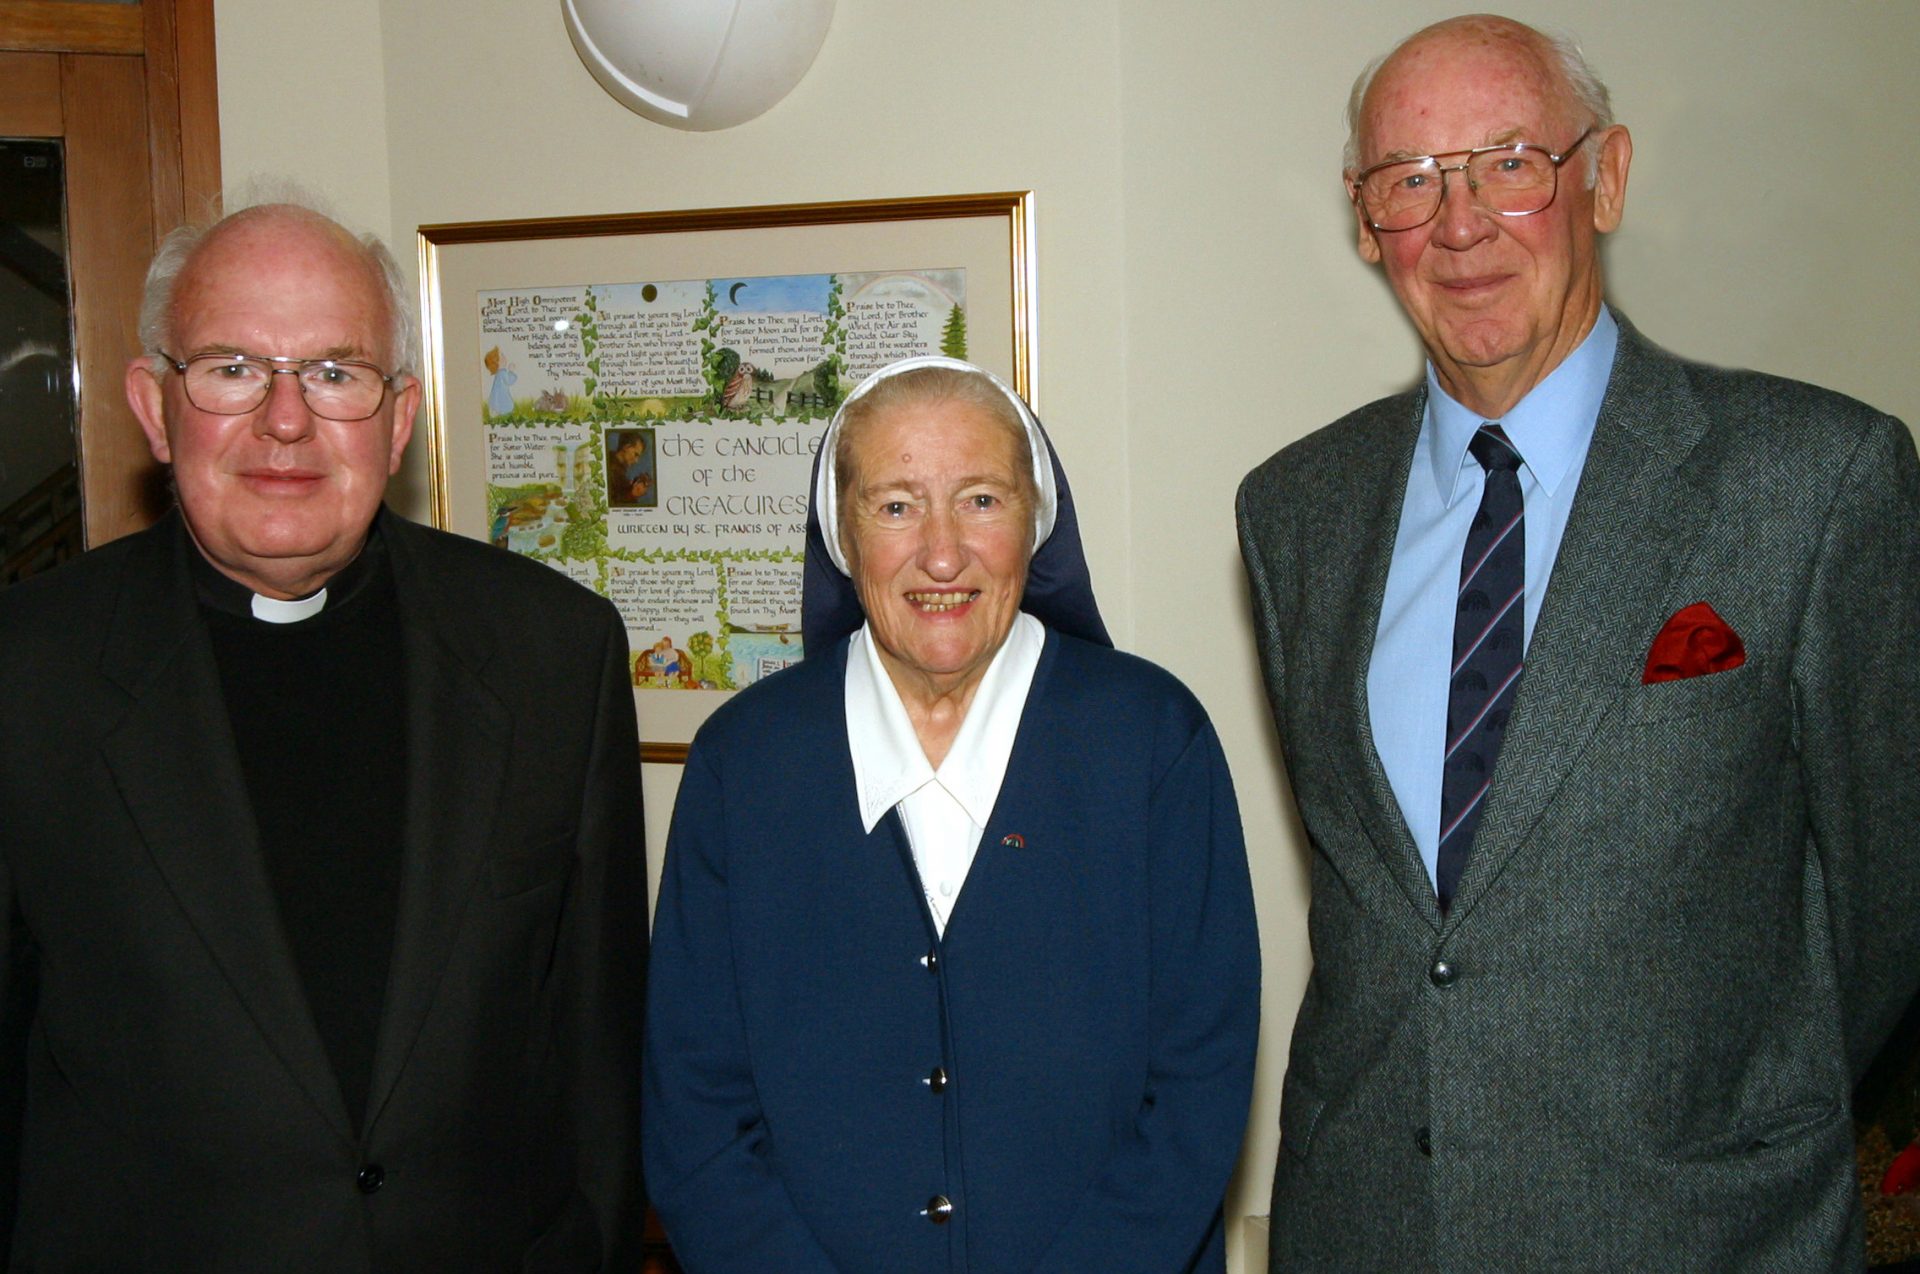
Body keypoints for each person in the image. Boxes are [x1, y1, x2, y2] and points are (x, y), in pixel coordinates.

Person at [1236, 14, 1920, 1269]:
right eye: (1411, 180)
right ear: (1363, 215)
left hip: (1697, 1231)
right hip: (1370, 1229)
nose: (1459, 224)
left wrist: (1727, 1126)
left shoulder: (1814, 481)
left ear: (1602, 176)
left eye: (1509, 163)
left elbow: (1891, 906)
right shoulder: (1294, 514)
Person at [0, 201, 648, 1271]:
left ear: (398, 422)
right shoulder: (30, 672)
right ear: (155, 410)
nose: (287, 420)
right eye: (233, 368)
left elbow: (597, 1057)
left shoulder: (552, 652)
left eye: (337, 373)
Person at [645, 355, 1260, 1272]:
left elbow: (1198, 1089)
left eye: (981, 499)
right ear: (842, 535)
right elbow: (695, 1112)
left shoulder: (1153, 743)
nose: (941, 553)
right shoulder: (743, 764)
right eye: (896, 505)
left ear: (1036, 522)